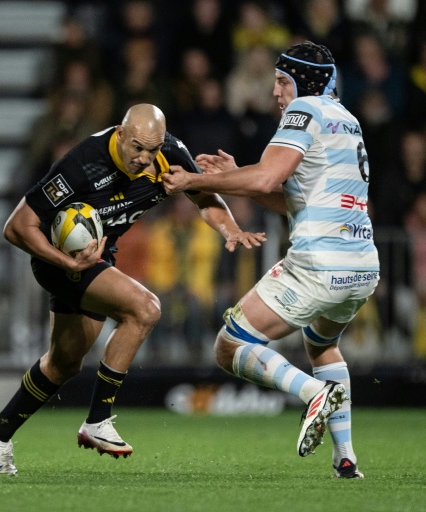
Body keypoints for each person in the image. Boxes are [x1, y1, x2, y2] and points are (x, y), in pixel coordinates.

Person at [0, 103, 266, 475]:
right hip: (60, 261)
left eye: (153, 150)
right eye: (138, 148)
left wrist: (229, 229)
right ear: (120, 133)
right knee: (145, 308)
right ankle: (98, 421)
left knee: (64, 363)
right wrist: (66, 263)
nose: (145, 159)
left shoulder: (169, 153)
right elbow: (17, 226)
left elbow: (205, 196)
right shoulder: (82, 164)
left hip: (96, 258)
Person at [163, 41, 378, 479]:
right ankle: (346, 459)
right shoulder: (347, 121)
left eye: (283, 81)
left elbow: (266, 175)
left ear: (304, 82)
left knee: (230, 344)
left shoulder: (305, 111)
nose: (276, 92)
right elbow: (290, 198)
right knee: (322, 344)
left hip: (318, 262)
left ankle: (313, 393)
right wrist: (236, 174)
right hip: (361, 265)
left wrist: (197, 179)